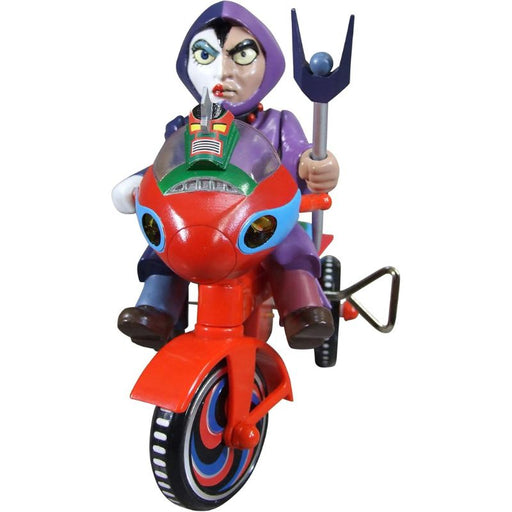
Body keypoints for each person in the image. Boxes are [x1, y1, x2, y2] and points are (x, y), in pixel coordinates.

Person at [112, 1, 340, 350]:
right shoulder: (185, 126)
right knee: (163, 248)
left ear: (269, 65)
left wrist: (316, 167)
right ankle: (156, 310)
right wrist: (137, 184)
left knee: (290, 244)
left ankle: (302, 307)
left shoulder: (278, 123)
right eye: (205, 56)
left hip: (260, 220)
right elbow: (168, 163)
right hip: (197, 219)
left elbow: (301, 156)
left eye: (242, 56)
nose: (223, 72)